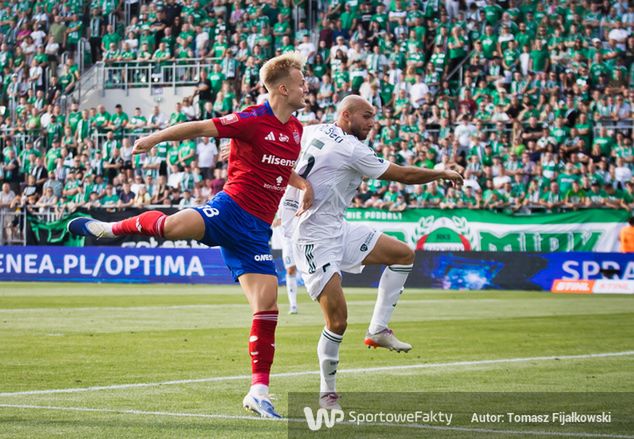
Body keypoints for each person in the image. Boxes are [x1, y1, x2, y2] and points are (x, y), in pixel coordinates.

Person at [67, 52, 312, 419]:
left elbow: (277, 165)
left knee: (267, 306)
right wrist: (154, 139)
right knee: (172, 227)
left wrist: (302, 183)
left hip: (256, 230)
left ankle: (258, 392)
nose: (306, 87)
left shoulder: (295, 130)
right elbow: (198, 127)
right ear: (282, 88)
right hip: (230, 209)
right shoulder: (251, 119)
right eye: (301, 82)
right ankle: (108, 229)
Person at [287, 95, 462, 410]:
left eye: (373, 117)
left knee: (402, 254)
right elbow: (404, 176)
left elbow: (281, 149)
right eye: (366, 116)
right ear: (346, 115)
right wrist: (441, 173)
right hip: (314, 237)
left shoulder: (316, 130)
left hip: (338, 228)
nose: (372, 123)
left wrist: (251, 150)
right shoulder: (351, 148)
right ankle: (327, 394)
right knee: (337, 322)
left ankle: (378, 329)